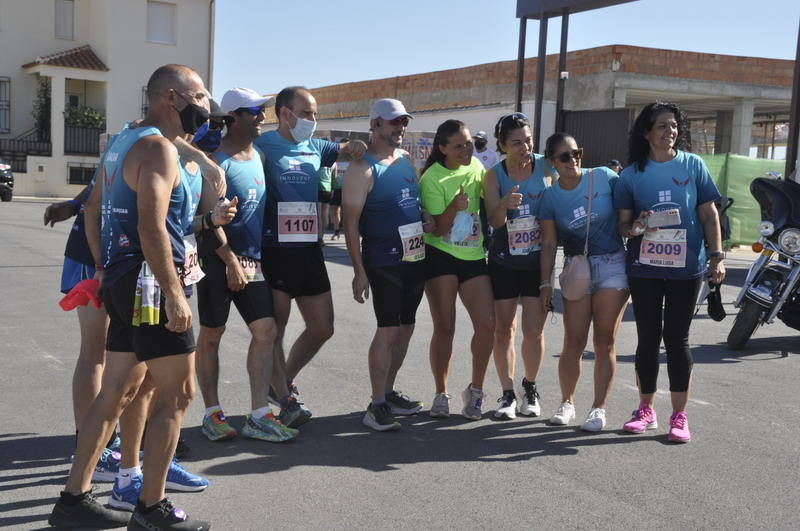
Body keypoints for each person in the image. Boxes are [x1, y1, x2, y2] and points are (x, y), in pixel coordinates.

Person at [49, 64, 214, 530]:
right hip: (152, 286)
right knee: (178, 394)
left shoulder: (122, 142)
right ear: (170, 97)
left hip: (125, 281)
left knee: (117, 391)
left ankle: (73, 500)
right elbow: (150, 225)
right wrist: (173, 293)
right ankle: (150, 507)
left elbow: (92, 209)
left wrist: (104, 268)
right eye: (200, 95)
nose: (206, 105)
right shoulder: (158, 148)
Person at [195, 87, 301, 442]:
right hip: (216, 260)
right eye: (255, 111)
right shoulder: (214, 162)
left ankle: (258, 415)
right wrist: (229, 261)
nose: (261, 117)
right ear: (234, 117)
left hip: (251, 261)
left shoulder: (259, 156)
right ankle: (212, 413)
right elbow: (209, 220)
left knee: (265, 332)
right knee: (212, 334)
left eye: (262, 110)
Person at [615, 101, 725, 443]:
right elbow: (623, 226)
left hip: (686, 267)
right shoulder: (631, 175)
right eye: (662, 125)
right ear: (647, 132)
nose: (670, 131)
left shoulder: (693, 165)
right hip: (644, 268)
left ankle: (679, 416)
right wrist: (636, 227)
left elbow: (709, 214)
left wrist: (717, 257)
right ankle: (645, 410)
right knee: (648, 338)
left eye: (674, 125)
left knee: (677, 339)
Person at [254, 86, 366, 419]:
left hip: (309, 250)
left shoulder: (317, 147)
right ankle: (284, 397)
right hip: (274, 250)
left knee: (322, 327)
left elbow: (346, 149)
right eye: (306, 113)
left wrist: (357, 146)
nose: (312, 119)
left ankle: (282, 381)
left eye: (315, 113)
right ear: (284, 113)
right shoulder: (262, 146)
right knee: (275, 330)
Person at [342, 98, 426, 431]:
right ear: (375, 124)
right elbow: (350, 224)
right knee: (388, 329)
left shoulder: (405, 159)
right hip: (383, 259)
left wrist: (427, 219)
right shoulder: (361, 169)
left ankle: (388, 393)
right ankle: (376, 405)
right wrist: (358, 271)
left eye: (403, 121)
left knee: (406, 327)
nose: (400, 127)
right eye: (394, 122)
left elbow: (413, 203)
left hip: (415, 256)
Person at [539, 132, 629, 432]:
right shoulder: (550, 197)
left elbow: (627, 210)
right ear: (552, 162)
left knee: (604, 340)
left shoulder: (604, 177)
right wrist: (545, 284)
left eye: (576, 153)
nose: (573, 160)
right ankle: (567, 402)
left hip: (613, 265)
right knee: (574, 341)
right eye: (565, 156)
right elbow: (548, 243)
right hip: (576, 269)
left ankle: (598, 409)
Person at [419, 119, 495, 420]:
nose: (466, 150)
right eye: (458, 146)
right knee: (445, 327)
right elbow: (438, 230)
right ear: (443, 148)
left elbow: (491, 195)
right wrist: (454, 206)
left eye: (469, 144)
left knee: (487, 325)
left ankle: (475, 391)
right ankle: (441, 393)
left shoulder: (476, 166)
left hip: (473, 255)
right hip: (441, 254)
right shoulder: (431, 178)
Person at [483, 113, 551, 420]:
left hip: (537, 262)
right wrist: (503, 204)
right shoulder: (494, 176)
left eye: (529, 141)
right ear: (502, 145)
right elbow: (494, 221)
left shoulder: (545, 165)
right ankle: (508, 393)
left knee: (533, 331)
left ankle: (530, 388)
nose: (525, 148)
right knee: (504, 330)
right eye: (517, 143)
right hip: (504, 261)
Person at [329, 160, 344, 240]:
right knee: (335, 211)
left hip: (349, 189)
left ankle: (349, 232)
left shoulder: (353, 157)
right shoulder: (335, 158)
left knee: (348, 213)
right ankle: (336, 232)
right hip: (336, 188)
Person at [318, 164, 333, 241]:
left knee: (319, 215)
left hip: (319, 188)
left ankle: (319, 237)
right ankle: (322, 236)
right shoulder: (334, 164)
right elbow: (334, 178)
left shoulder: (318, 162)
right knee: (325, 214)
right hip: (328, 189)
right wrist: (332, 190)